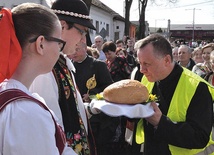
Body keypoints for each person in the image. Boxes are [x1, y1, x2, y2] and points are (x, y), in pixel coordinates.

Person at [29, 0, 97, 154]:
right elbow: (51, 131)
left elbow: (70, 110)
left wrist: (92, 109)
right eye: (82, 31)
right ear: (63, 25)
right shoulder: (46, 70)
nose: (83, 39)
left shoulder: (61, 63)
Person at [0, 3, 66, 154]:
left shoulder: (8, 92)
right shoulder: (26, 112)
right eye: (59, 43)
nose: (59, 51)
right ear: (41, 44)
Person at [134, 34, 214, 155]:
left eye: (147, 64)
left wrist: (161, 123)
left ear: (166, 60)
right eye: (140, 63)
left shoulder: (197, 87)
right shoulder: (146, 79)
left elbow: (200, 137)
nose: (141, 69)